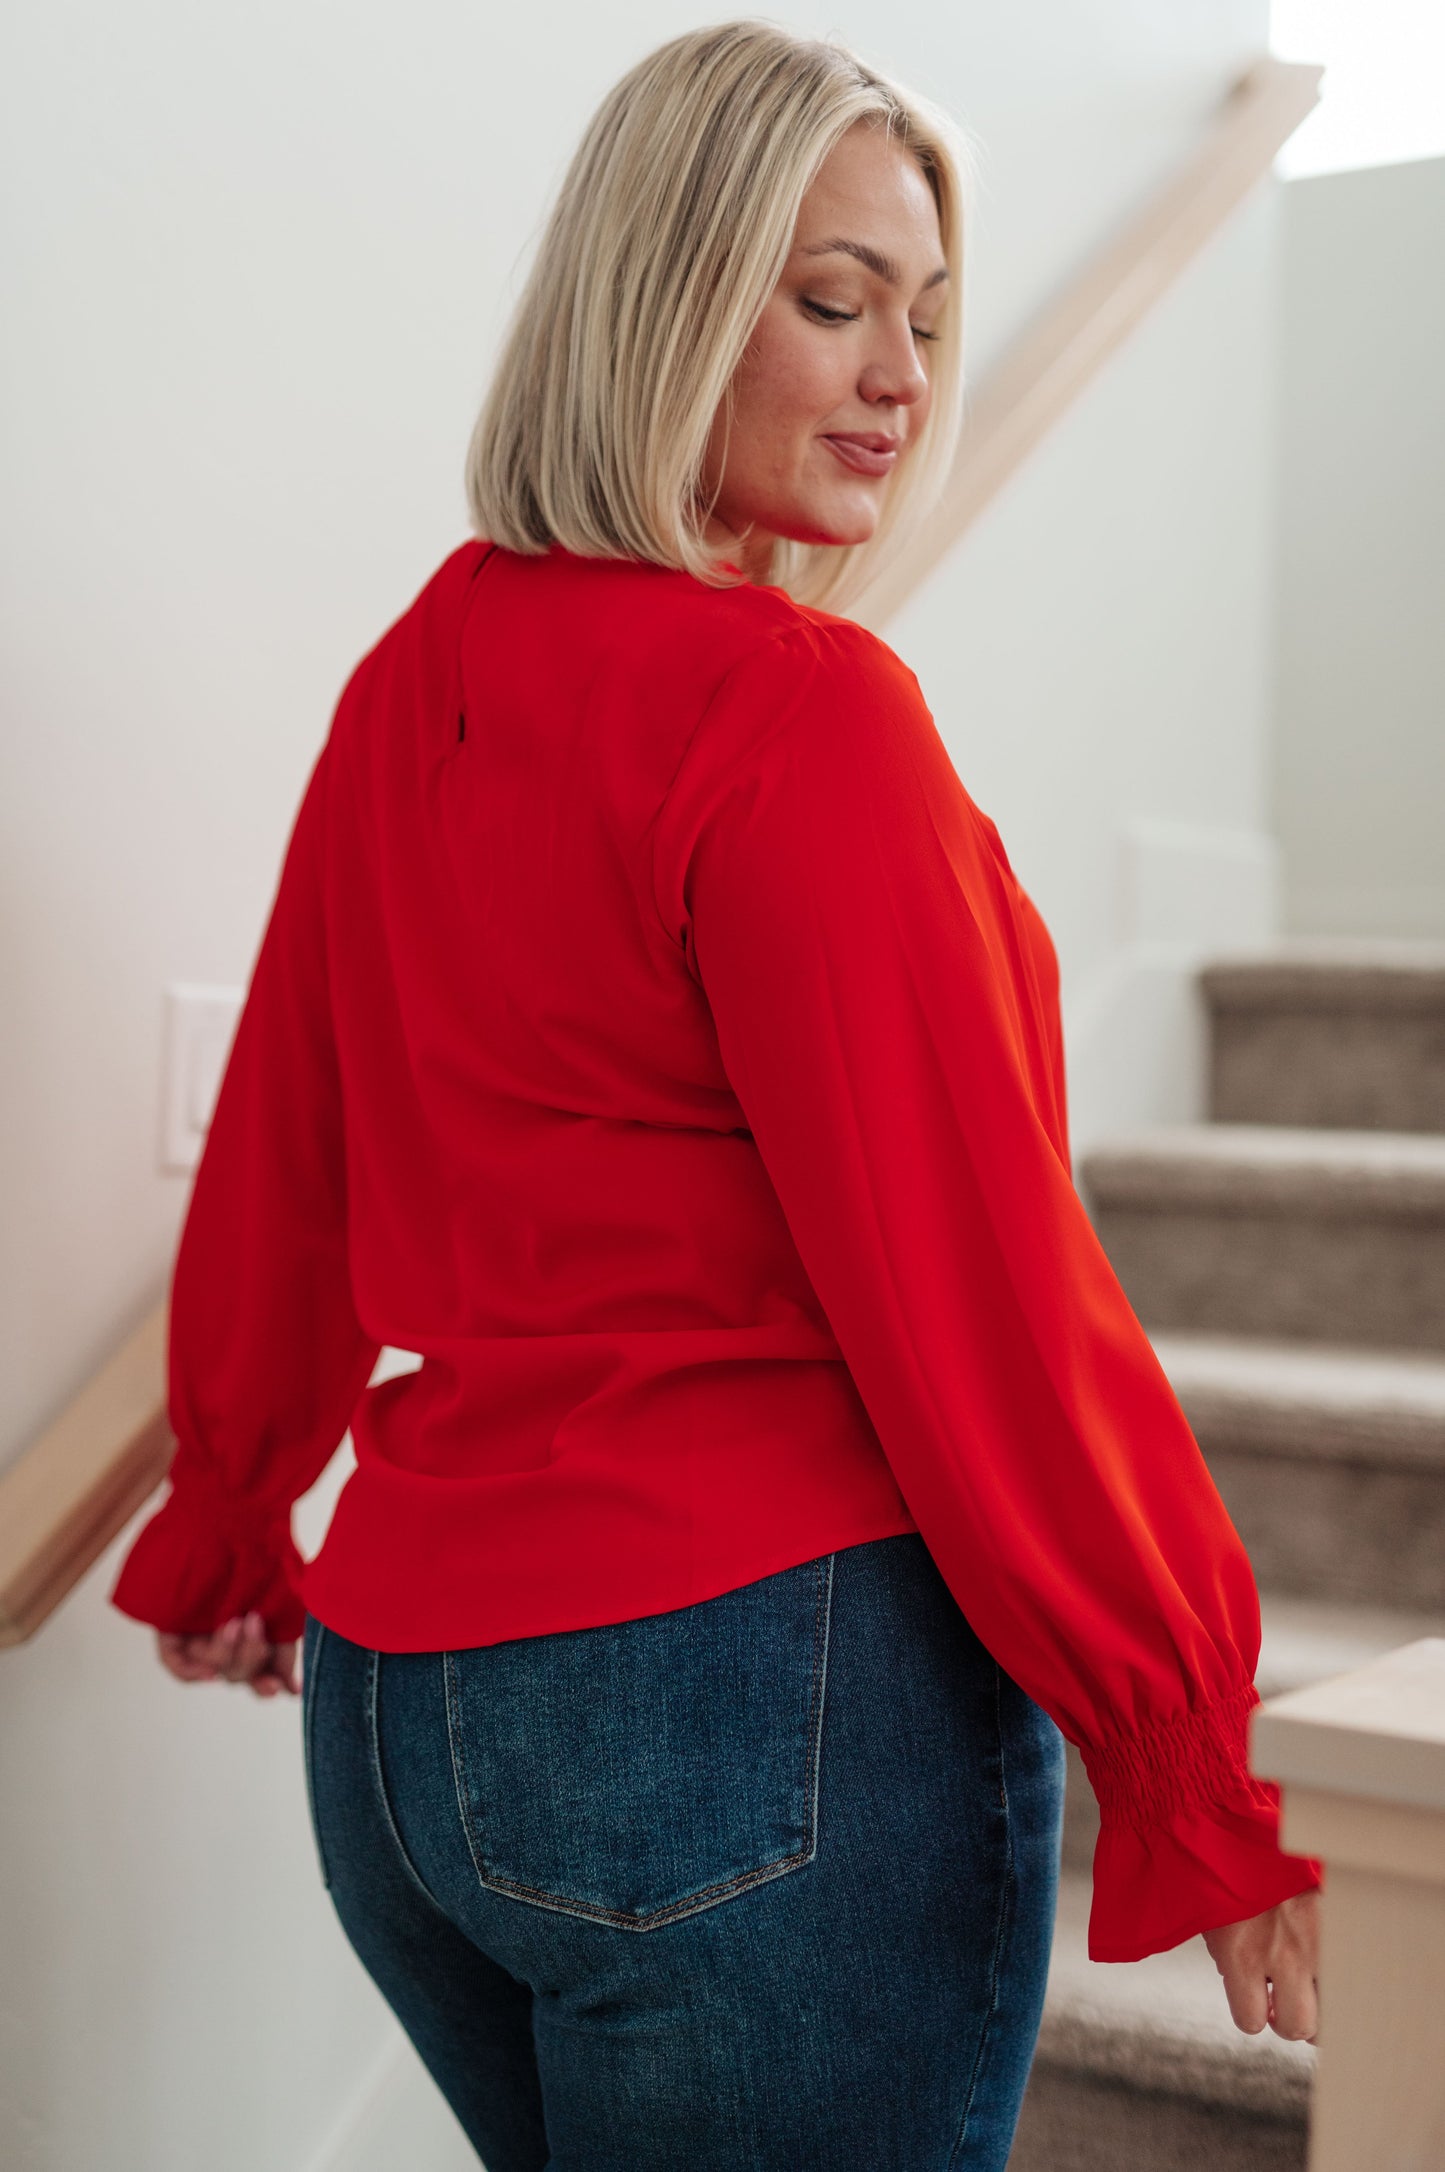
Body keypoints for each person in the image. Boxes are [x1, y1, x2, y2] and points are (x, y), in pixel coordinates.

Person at [109, 20, 1321, 2169]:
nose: (902, 376)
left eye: (930, 318)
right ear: (662, 300)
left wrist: (236, 1499)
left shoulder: (423, 672)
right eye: (831, 298)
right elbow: (985, 1298)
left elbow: (294, 1148)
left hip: (409, 1735)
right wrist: (1183, 1752)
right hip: (749, 1718)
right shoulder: (800, 720)